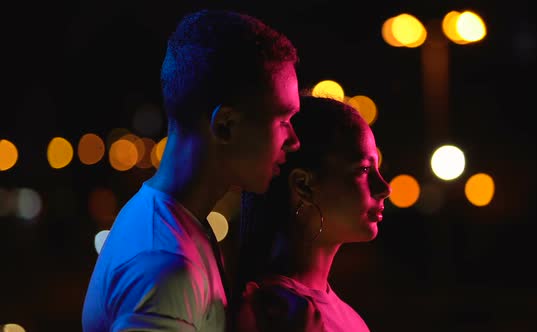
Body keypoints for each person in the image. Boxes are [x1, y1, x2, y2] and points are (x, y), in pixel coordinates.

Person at [82, 9, 301, 332]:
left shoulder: (176, 225)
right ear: (225, 126)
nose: (293, 141)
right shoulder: (165, 265)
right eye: (283, 120)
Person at [230, 95, 392, 332]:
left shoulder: (347, 317)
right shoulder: (269, 314)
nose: (385, 188)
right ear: (303, 186)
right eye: (364, 169)